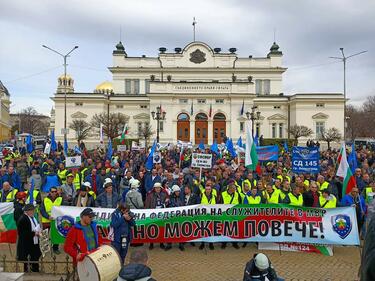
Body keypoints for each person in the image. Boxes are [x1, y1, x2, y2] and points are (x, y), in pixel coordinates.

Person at [16, 204, 42, 272]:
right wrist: (34, 233)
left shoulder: (32, 217)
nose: (33, 211)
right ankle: (28, 272)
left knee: (35, 257)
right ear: (27, 211)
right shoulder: (23, 219)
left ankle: (35, 270)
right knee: (27, 258)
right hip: (27, 243)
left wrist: (38, 232)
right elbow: (22, 233)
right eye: (32, 210)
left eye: (33, 210)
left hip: (34, 242)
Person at [40, 186, 62, 254]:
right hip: (46, 220)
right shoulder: (45, 199)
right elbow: (42, 210)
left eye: (55, 191)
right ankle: (44, 248)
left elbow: (63, 208)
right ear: (49, 192)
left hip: (56, 221)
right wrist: (47, 216)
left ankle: (55, 248)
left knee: (56, 235)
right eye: (52, 192)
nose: (54, 193)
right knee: (45, 235)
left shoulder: (60, 199)